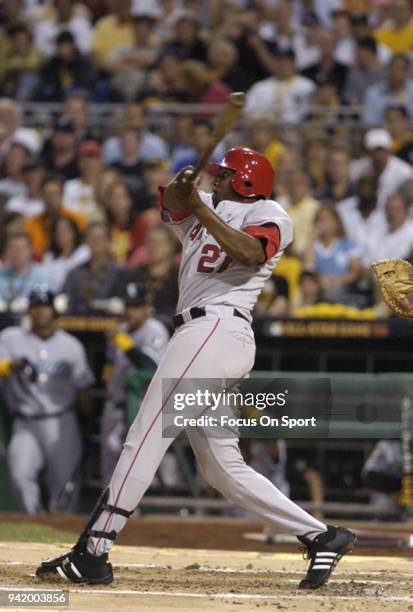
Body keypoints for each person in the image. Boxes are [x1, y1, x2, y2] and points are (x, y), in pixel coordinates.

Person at [37, 147, 355, 589]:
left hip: (217, 329)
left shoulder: (271, 212)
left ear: (244, 181)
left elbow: (248, 252)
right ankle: (322, 536)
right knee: (220, 467)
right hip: (203, 337)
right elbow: (171, 207)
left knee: (146, 434)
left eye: (224, 175)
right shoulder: (211, 209)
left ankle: (94, 550)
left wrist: (200, 207)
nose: (217, 180)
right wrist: (183, 188)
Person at [0, 287, 95, 513]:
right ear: (28, 311)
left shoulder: (71, 346)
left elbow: (83, 389)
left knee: (64, 488)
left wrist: (87, 424)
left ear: (54, 312)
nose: (40, 312)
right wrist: (10, 365)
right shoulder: (11, 338)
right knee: (20, 474)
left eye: (45, 307)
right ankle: (36, 524)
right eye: (35, 307)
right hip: (25, 422)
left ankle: (60, 534)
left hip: (61, 421)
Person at [101, 282, 169, 485]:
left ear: (148, 308)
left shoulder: (154, 330)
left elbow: (150, 366)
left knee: (137, 471)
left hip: (140, 409)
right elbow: (111, 364)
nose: (131, 311)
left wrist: (122, 341)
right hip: (113, 407)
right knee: (109, 471)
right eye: (129, 305)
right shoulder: (120, 330)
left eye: (137, 306)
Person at [62, 222, 126, 315]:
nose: (95, 241)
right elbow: (63, 301)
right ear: (86, 242)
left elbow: (123, 305)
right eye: (91, 237)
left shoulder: (119, 273)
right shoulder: (74, 274)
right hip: (76, 325)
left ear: (109, 241)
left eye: (100, 238)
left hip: (110, 326)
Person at [305, 204, 362, 305]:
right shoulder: (313, 247)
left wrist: (333, 280)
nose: (321, 224)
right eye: (319, 220)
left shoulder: (348, 245)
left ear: (336, 222)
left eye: (325, 220)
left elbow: (355, 273)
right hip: (319, 297)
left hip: (344, 297)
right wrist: (312, 240)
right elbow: (308, 268)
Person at [245, 49, 315, 123]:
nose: (282, 66)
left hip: (295, 127)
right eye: (279, 62)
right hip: (264, 126)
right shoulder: (260, 87)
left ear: (294, 64)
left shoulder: (307, 86)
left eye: (286, 63)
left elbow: (309, 112)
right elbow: (247, 110)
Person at [26, 175, 86, 258]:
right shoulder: (31, 224)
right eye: (47, 194)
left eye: (55, 194)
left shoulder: (77, 219)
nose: (51, 199)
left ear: (62, 195)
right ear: (41, 196)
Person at [127, 224, 179, 321]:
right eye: (151, 242)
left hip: (170, 326)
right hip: (137, 324)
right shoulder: (136, 274)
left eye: (160, 242)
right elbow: (130, 303)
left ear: (171, 246)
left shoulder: (179, 275)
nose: (155, 246)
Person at [351, 128, 413, 209]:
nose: (378, 154)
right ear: (368, 152)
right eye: (374, 150)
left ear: (389, 150)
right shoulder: (357, 168)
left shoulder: (404, 171)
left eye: (381, 150)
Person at [0, 233, 51, 308]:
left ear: (30, 250)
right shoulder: (1, 274)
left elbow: (46, 305)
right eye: (12, 248)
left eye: (21, 248)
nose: (16, 253)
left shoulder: (43, 275)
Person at [362, 54, 413, 125]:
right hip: (381, 133)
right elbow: (367, 121)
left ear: (407, 72)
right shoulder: (373, 93)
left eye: (398, 69)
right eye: (392, 69)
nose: (395, 73)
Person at [42, 217, 90, 292]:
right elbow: (46, 284)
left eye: (65, 230)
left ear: (74, 232)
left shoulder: (84, 252)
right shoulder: (49, 257)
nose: (62, 234)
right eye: (58, 231)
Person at [63, 140, 104, 221]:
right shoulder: (69, 186)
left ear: (100, 162)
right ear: (78, 162)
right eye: (85, 158)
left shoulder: (106, 187)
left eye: (93, 158)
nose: (89, 163)